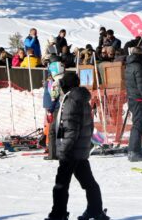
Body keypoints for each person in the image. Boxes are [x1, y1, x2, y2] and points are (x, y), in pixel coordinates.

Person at [45, 72, 109, 220]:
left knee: (61, 185)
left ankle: (58, 214)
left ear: (65, 85)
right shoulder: (79, 98)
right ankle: (95, 210)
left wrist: (65, 150)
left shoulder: (72, 101)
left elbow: (71, 129)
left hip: (72, 150)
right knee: (88, 182)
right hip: (79, 149)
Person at [125, 47, 142, 162]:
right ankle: (134, 151)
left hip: (133, 98)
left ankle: (135, 148)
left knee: (138, 124)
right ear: (139, 55)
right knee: (138, 125)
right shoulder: (138, 67)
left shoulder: (130, 66)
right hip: (139, 100)